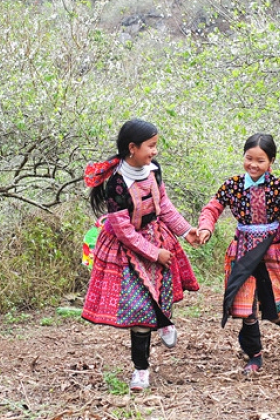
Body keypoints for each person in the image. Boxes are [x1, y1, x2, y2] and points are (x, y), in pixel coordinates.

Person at [81, 119, 201, 392]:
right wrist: (153, 253)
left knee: (160, 294)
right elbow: (123, 230)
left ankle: (164, 321)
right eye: (151, 146)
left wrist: (185, 231)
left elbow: (165, 206)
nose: (155, 151)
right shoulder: (117, 185)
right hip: (126, 249)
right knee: (138, 309)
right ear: (132, 148)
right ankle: (141, 370)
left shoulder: (154, 170)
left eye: (156, 145)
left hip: (156, 238)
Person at [197, 133, 280, 374]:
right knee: (247, 308)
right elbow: (212, 208)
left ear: (270, 162)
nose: (253, 164)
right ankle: (255, 355)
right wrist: (205, 227)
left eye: (260, 160)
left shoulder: (277, 186)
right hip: (242, 252)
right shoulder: (232, 185)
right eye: (248, 158)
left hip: (272, 251)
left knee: (273, 306)